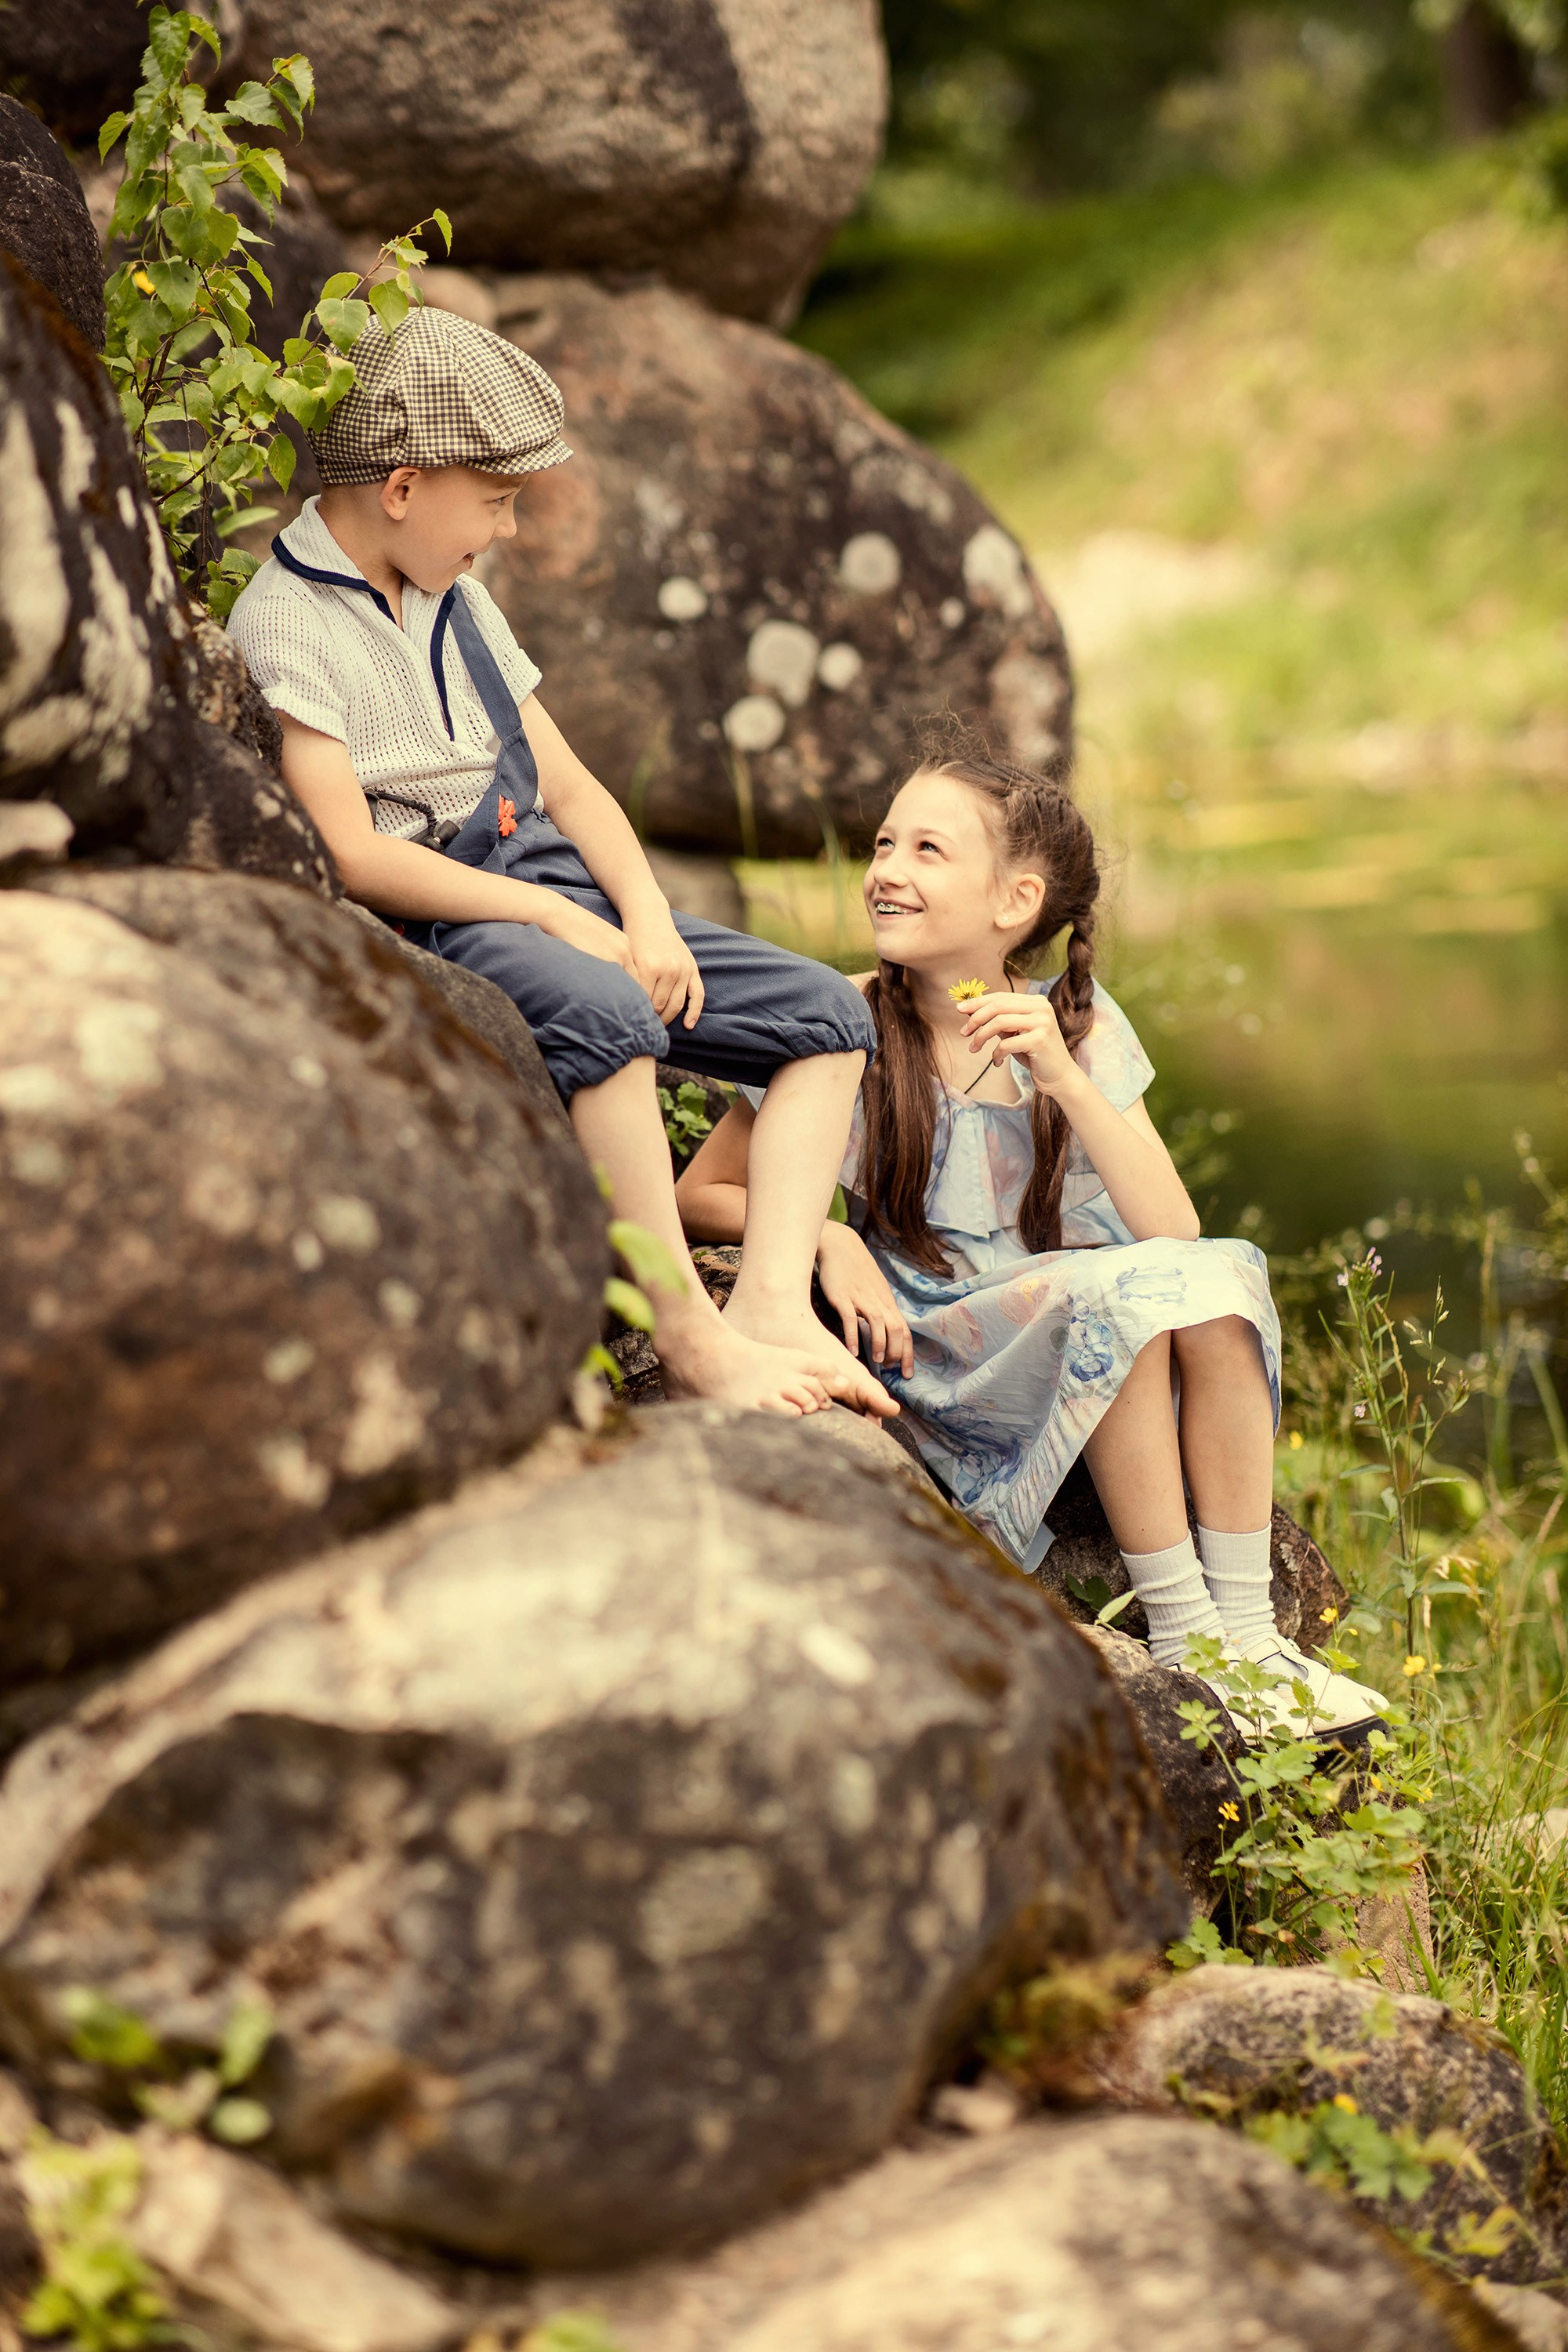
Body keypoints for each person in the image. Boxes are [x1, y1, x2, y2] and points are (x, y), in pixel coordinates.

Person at [227, 303, 895, 1421]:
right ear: (402, 487)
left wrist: (646, 912)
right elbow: (352, 854)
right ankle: (686, 1333)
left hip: (542, 870)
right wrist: (558, 925)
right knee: (609, 1016)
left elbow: (572, 788)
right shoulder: (288, 623)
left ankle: (772, 1300)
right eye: (495, 503)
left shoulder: (459, 601)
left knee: (828, 1017)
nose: (512, 531)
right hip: (448, 905)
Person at [674, 749, 1388, 1737]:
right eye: (884, 843)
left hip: (1076, 1300)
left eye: (927, 849)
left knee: (1220, 1276)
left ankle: (1250, 1638)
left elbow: (1171, 1230)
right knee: (1114, 1300)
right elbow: (698, 1193)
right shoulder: (842, 1021)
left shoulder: (1077, 1028)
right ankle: (1188, 1638)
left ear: (1015, 900)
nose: (886, 868)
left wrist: (1063, 1074)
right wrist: (824, 1242)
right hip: (950, 1335)